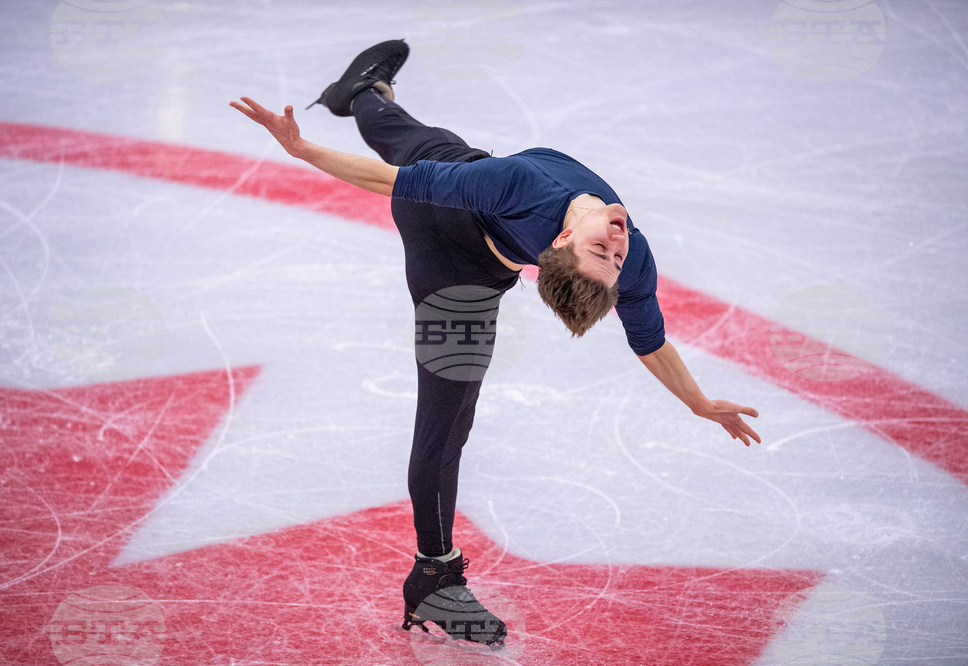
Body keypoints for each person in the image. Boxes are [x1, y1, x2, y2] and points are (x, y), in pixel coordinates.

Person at [231, 39, 761, 649]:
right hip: (459, 228)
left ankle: (361, 93)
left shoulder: (523, 192)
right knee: (410, 138)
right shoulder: (531, 195)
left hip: (459, 260)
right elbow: (396, 178)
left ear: (562, 243)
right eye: (611, 255)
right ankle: (363, 95)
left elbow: (649, 341)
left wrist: (698, 402)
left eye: (608, 254)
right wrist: (301, 148)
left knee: (447, 420)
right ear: (561, 243)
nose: (618, 242)